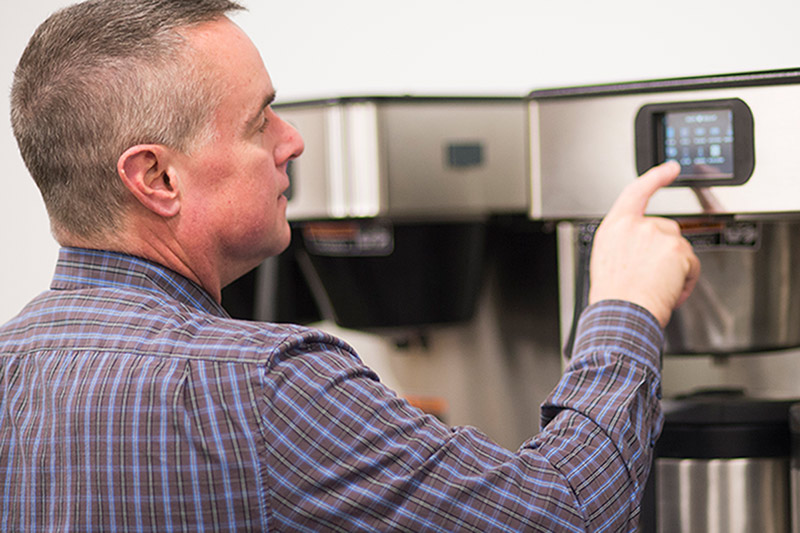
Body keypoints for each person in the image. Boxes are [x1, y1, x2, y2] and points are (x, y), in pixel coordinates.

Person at [0, 0, 699, 531]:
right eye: (260, 121)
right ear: (156, 177)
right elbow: (568, 512)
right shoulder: (265, 386)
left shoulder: (10, 365)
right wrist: (623, 305)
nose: (294, 141)